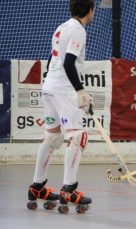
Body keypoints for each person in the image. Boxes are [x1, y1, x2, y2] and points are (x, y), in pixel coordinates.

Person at [27, 0, 95, 214]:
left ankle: (37, 187)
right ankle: (69, 188)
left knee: (52, 137)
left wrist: (51, 80)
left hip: (49, 87)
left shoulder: (61, 27)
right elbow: (68, 62)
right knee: (77, 136)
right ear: (90, 10)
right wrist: (80, 91)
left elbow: (52, 58)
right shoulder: (78, 30)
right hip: (63, 88)